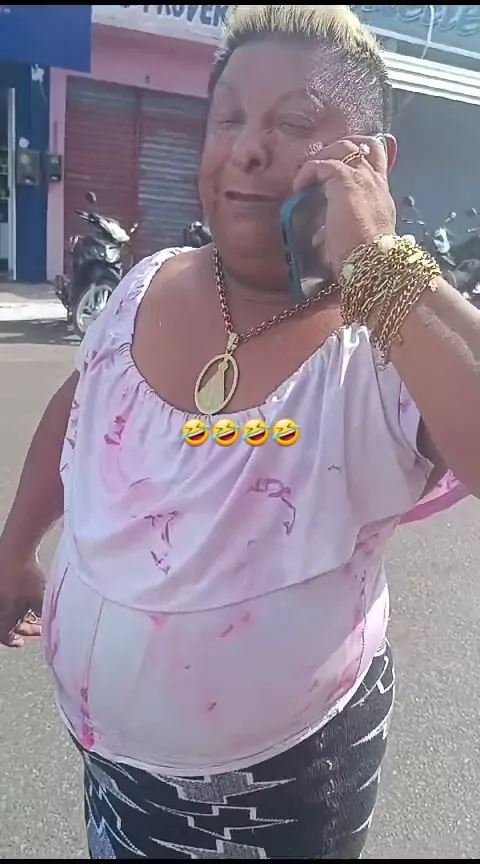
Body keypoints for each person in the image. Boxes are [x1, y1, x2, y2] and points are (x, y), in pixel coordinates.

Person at [0, 5, 477, 859]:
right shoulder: (146, 284)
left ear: (372, 162)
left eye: (294, 122)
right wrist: (14, 548)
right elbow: (79, 407)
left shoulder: (386, 345)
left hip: (274, 801)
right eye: (228, 119)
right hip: (110, 772)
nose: (248, 148)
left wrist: (380, 265)